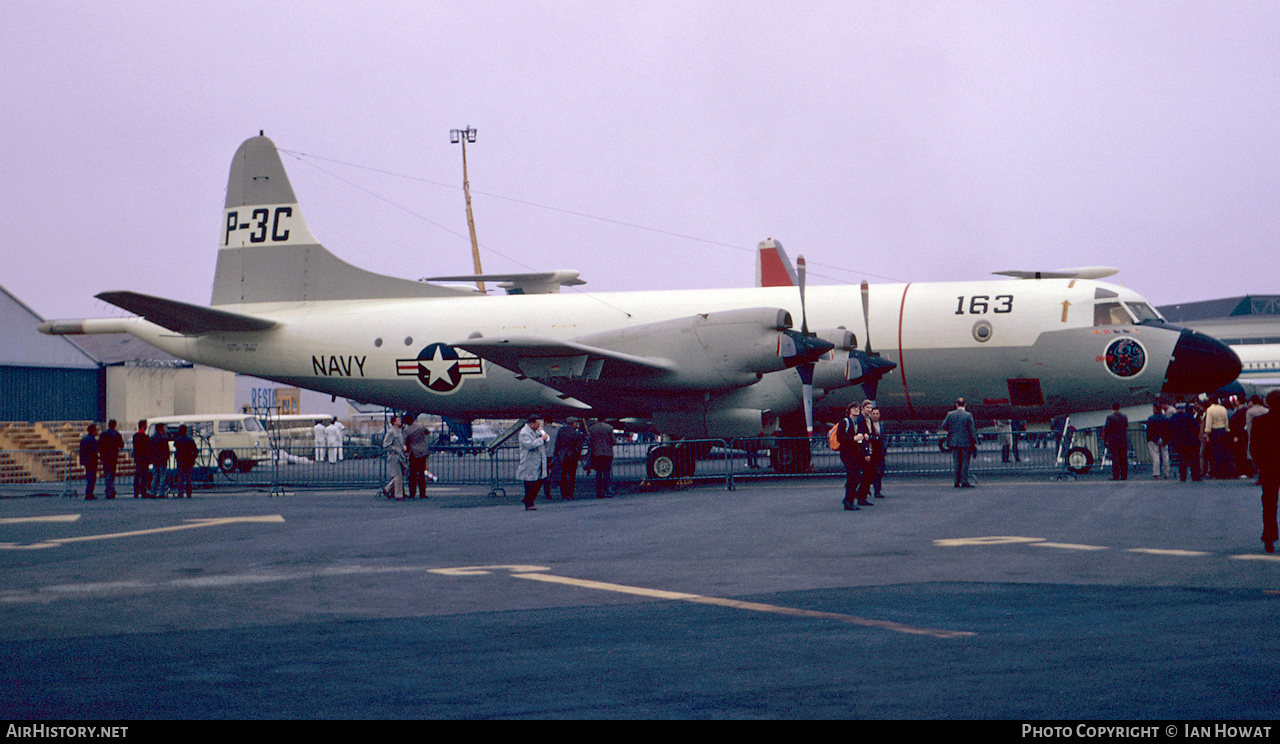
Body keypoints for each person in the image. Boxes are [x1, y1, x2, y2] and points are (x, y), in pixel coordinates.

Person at [1248, 390, 1280, 553]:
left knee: (1269, 504)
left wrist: (1260, 465)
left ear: (1268, 403)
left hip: (1269, 468)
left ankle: (1269, 535)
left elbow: (1253, 446)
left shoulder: (1260, 421)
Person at [836, 401, 873, 509]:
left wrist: (866, 436)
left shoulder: (860, 422)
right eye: (854, 408)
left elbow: (865, 435)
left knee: (854, 476)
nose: (856, 410)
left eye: (857, 408)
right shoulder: (844, 422)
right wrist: (854, 438)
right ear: (849, 410)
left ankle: (849, 500)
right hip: (847, 454)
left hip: (856, 453)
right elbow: (840, 438)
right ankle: (848, 501)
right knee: (855, 476)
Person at [940, 398, 977, 488]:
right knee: (965, 462)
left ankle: (956, 481)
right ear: (965, 404)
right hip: (966, 442)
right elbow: (972, 430)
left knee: (956, 462)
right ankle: (964, 481)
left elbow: (943, 426)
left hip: (954, 442)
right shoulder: (968, 415)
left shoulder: (950, 414)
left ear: (956, 405)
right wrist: (975, 441)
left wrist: (952, 431)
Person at [517, 415, 550, 510]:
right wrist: (541, 439)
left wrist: (543, 435)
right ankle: (529, 503)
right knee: (529, 483)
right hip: (529, 461)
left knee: (539, 480)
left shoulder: (535, 432)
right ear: (532, 423)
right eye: (538, 423)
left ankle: (528, 498)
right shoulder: (524, 433)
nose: (539, 426)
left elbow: (544, 441)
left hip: (537, 461)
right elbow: (530, 445)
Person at [553, 417, 586, 499]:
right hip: (572, 455)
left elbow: (557, 443)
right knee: (572, 475)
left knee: (563, 475)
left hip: (563, 455)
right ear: (572, 423)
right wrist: (579, 456)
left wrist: (556, 453)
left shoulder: (561, 431)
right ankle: (570, 493)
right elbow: (579, 446)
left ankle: (564, 493)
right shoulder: (576, 433)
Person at [1169, 403, 1202, 482]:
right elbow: (1196, 428)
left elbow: (1170, 431)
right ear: (1183, 409)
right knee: (1193, 460)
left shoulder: (1173, 418)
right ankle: (1195, 476)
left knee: (1182, 460)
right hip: (1191, 442)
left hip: (1180, 443)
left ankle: (1183, 477)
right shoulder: (1190, 417)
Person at [1203, 395, 1231, 478]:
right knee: (1224, 452)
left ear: (1210, 401)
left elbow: (1208, 422)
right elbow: (1226, 421)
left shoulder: (1210, 409)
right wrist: (1227, 430)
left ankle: (1218, 473)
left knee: (1216, 453)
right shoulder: (1223, 408)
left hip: (1215, 431)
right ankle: (1226, 472)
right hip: (1223, 431)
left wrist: (1207, 433)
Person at [587, 418, 615, 498]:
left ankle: (599, 492)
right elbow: (613, 440)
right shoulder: (609, 427)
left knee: (598, 473)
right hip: (607, 453)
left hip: (597, 453)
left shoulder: (592, 428)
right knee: (607, 473)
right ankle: (607, 491)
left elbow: (589, 441)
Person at [404, 413, 430, 499]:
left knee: (413, 474)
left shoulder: (407, 430)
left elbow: (405, 441)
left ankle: (412, 493)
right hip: (423, 451)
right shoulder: (420, 425)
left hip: (414, 452)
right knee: (422, 473)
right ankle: (423, 493)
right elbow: (427, 432)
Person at [382, 414, 408, 500]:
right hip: (394, 456)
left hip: (400, 455)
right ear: (394, 422)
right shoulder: (391, 432)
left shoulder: (398, 431)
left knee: (400, 474)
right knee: (398, 475)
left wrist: (403, 446)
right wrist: (396, 449)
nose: (400, 421)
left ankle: (387, 489)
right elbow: (386, 445)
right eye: (398, 420)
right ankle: (398, 495)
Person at [98, 419, 124, 499]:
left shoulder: (104, 434)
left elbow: (99, 445)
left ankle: (109, 489)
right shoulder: (117, 434)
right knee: (112, 473)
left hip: (105, 456)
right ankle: (111, 489)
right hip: (113, 456)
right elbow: (121, 445)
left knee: (107, 473)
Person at [172, 424, 199, 498]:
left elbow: (175, 446)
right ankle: (189, 493)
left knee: (180, 478)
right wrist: (193, 458)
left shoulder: (178, 440)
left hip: (180, 460)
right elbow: (195, 450)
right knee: (188, 478)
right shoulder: (190, 440)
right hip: (189, 461)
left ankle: (180, 493)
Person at [1145, 404, 1171, 480]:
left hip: (1153, 440)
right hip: (1164, 439)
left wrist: (1150, 439)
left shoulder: (1151, 418)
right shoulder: (1165, 419)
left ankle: (1156, 473)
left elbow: (1149, 430)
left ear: (1154, 409)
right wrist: (1166, 439)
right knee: (1165, 456)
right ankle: (1167, 473)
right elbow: (1168, 430)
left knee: (1155, 456)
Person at [1103, 403, 1129, 481]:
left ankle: (1116, 475)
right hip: (1123, 439)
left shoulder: (1110, 417)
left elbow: (1107, 429)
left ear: (1112, 408)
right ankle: (1124, 475)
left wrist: (1106, 439)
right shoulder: (1124, 417)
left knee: (1115, 458)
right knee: (1123, 458)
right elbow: (1126, 426)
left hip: (1113, 440)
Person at [150, 423, 171, 498]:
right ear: (161, 429)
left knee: (155, 476)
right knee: (163, 477)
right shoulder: (164, 438)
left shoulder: (152, 438)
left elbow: (150, 449)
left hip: (155, 460)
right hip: (162, 460)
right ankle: (161, 493)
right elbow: (166, 450)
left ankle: (153, 492)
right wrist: (167, 457)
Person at [78, 424, 99, 500]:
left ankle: (89, 493)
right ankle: (89, 493)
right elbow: (94, 451)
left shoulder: (84, 439)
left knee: (89, 476)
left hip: (86, 460)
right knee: (92, 477)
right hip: (92, 461)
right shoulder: (93, 440)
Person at [869, 407, 886, 498]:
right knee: (875, 472)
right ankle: (877, 491)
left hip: (881, 452)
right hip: (872, 452)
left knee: (881, 471)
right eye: (874, 414)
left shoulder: (881, 425)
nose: (875, 416)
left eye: (877, 414)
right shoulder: (868, 425)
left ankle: (873, 487)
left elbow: (884, 437)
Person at [132, 420, 150, 498]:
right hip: (144, 458)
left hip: (138, 457)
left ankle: (136, 492)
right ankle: (143, 491)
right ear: (143, 426)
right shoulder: (145, 437)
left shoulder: (135, 436)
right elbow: (148, 448)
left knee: (137, 475)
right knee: (144, 476)